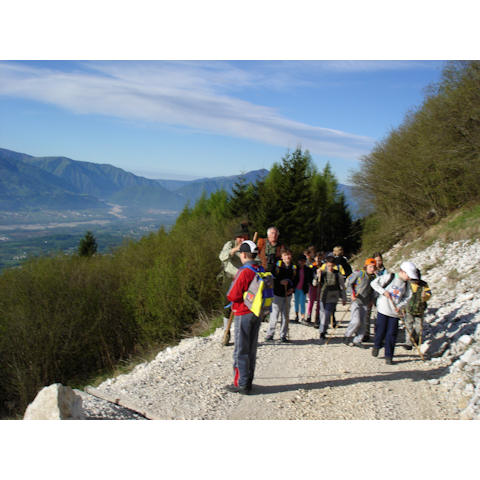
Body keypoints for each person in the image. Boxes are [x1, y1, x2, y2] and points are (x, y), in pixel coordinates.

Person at [224, 240, 263, 395]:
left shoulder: (244, 271)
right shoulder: (259, 268)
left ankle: (241, 384)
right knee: (251, 349)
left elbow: (232, 295)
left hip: (242, 313)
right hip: (256, 312)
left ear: (244, 254)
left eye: (241, 253)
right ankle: (248, 380)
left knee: (240, 349)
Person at [370, 261, 416, 365]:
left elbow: (407, 297)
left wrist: (400, 306)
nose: (409, 278)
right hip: (383, 309)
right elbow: (373, 283)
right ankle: (377, 345)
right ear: (403, 272)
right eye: (408, 275)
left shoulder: (406, 285)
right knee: (380, 331)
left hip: (395, 313)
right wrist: (383, 292)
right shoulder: (389, 277)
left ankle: (389, 356)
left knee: (391, 334)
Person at [218, 223, 250, 334]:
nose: (242, 239)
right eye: (240, 237)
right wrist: (235, 250)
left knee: (244, 305)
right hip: (230, 277)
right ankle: (227, 331)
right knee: (227, 305)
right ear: (236, 237)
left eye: (244, 237)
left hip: (244, 279)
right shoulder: (230, 244)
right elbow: (222, 257)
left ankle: (241, 331)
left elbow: (257, 261)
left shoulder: (250, 246)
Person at [344, 258, 377, 348]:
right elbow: (348, 282)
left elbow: (373, 291)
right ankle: (347, 336)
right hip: (356, 301)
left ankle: (358, 340)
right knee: (356, 320)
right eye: (370, 267)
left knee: (363, 322)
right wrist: (351, 293)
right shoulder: (359, 273)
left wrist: (372, 300)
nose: (372, 269)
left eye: (374, 267)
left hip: (366, 302)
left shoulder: (374, 277)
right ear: (366, 266)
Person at [264, 248, 296, 343]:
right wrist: (280, 282)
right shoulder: (277, 266)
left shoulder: (294, 267)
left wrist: (291, 288)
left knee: (285, 315)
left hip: (288, 294)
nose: (287, 257)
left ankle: (283, 335)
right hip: (277, 294)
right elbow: (272, 278)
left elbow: (296, 280)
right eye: (285, 255)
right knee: (274, 314)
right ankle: (270, 334)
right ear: (282, 257)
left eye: (289, 255)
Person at [317, 255, 347, 340]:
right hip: (323, 295)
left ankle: (322, 331)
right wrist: (317, 276)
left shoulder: (337, 274)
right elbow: (315, 283)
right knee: (322, 314)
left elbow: (342, 286)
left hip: (333, 296)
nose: (330, 267)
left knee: (327, 314)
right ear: (326, 264)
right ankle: (322, 330)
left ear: (334, 265)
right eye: (328, 265)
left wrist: (344, 298)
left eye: (331, 265)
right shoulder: (322, 273)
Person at [404, 268, 432, 350]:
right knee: (408, 325)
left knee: (418, 327)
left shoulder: (424, 285)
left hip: (420, 309)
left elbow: (429, 294)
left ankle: (415, 339)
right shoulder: (407, 284)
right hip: (409, 309)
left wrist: (425, 296)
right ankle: (408, 343)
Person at [293, 254, 313, 323]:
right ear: (298, 261)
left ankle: (303, 316)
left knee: (302, 303)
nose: (302, 262)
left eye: (303, 261)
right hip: (296, 288)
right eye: (300, 261)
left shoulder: (307, 269)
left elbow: (310, 278)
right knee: (296, 302)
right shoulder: (295, 268)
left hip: (303, 288)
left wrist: (310, 285)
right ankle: (296, 316)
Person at [305, 252, 323, 325]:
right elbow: (308, 275)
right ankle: (309, 316)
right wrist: (310, 282)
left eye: (320, 258)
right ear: (315, 258)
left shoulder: (323, 266)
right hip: (313, 285)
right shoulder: (312, 266)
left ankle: (317, 316)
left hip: (321, 286)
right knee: (311, 301)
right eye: (317, 258)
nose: (318, 260)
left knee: (319, 302)